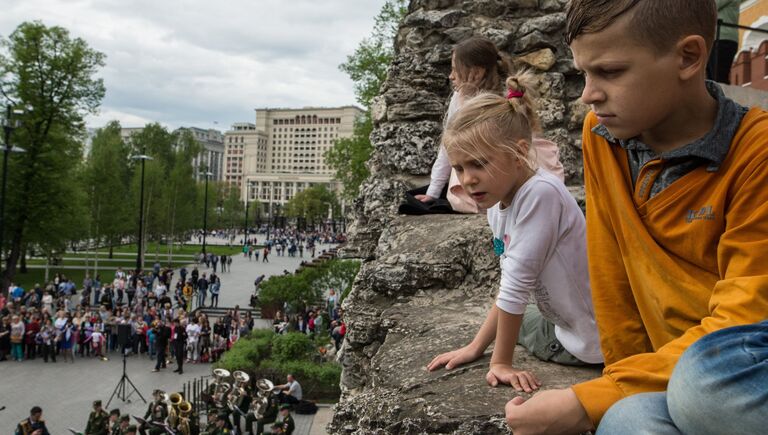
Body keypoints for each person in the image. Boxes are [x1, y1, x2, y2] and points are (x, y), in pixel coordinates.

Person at [503, 2, 768, 434]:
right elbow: (612, 277)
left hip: (738, 362)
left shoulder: (757, 153)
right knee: (626, 421)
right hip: (669, 373)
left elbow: (744, 321)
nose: (588, 93)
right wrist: (618, 386)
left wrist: (587, 399)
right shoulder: (601, 135)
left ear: (687, 57)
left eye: (609, 72)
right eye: (585, 73)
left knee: (704, 388)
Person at [427, 72, 602, 391]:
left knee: (520, 317)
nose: (467, 180)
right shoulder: (498, 199)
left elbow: (515, 287)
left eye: (478, 164)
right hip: (570, 321)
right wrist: (476, 347)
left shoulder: (541, 194)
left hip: (588, 341)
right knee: (518, 315)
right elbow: (512, 280)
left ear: (519, 153)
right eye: (460, 168)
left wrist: (500, 363)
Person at [416, 36, 564, 213]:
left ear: (477, 72)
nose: (451, 76)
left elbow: (523, 137)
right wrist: (433, 192)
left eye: (455, 70)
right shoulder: (459, 98)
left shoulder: (509, 94)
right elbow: (447, 149)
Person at [707, 0, 740, 84]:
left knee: (718, 76)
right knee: (712, 77)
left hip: (724, 38)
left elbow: (711, 6)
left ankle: (721, 96)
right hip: (716, 39)